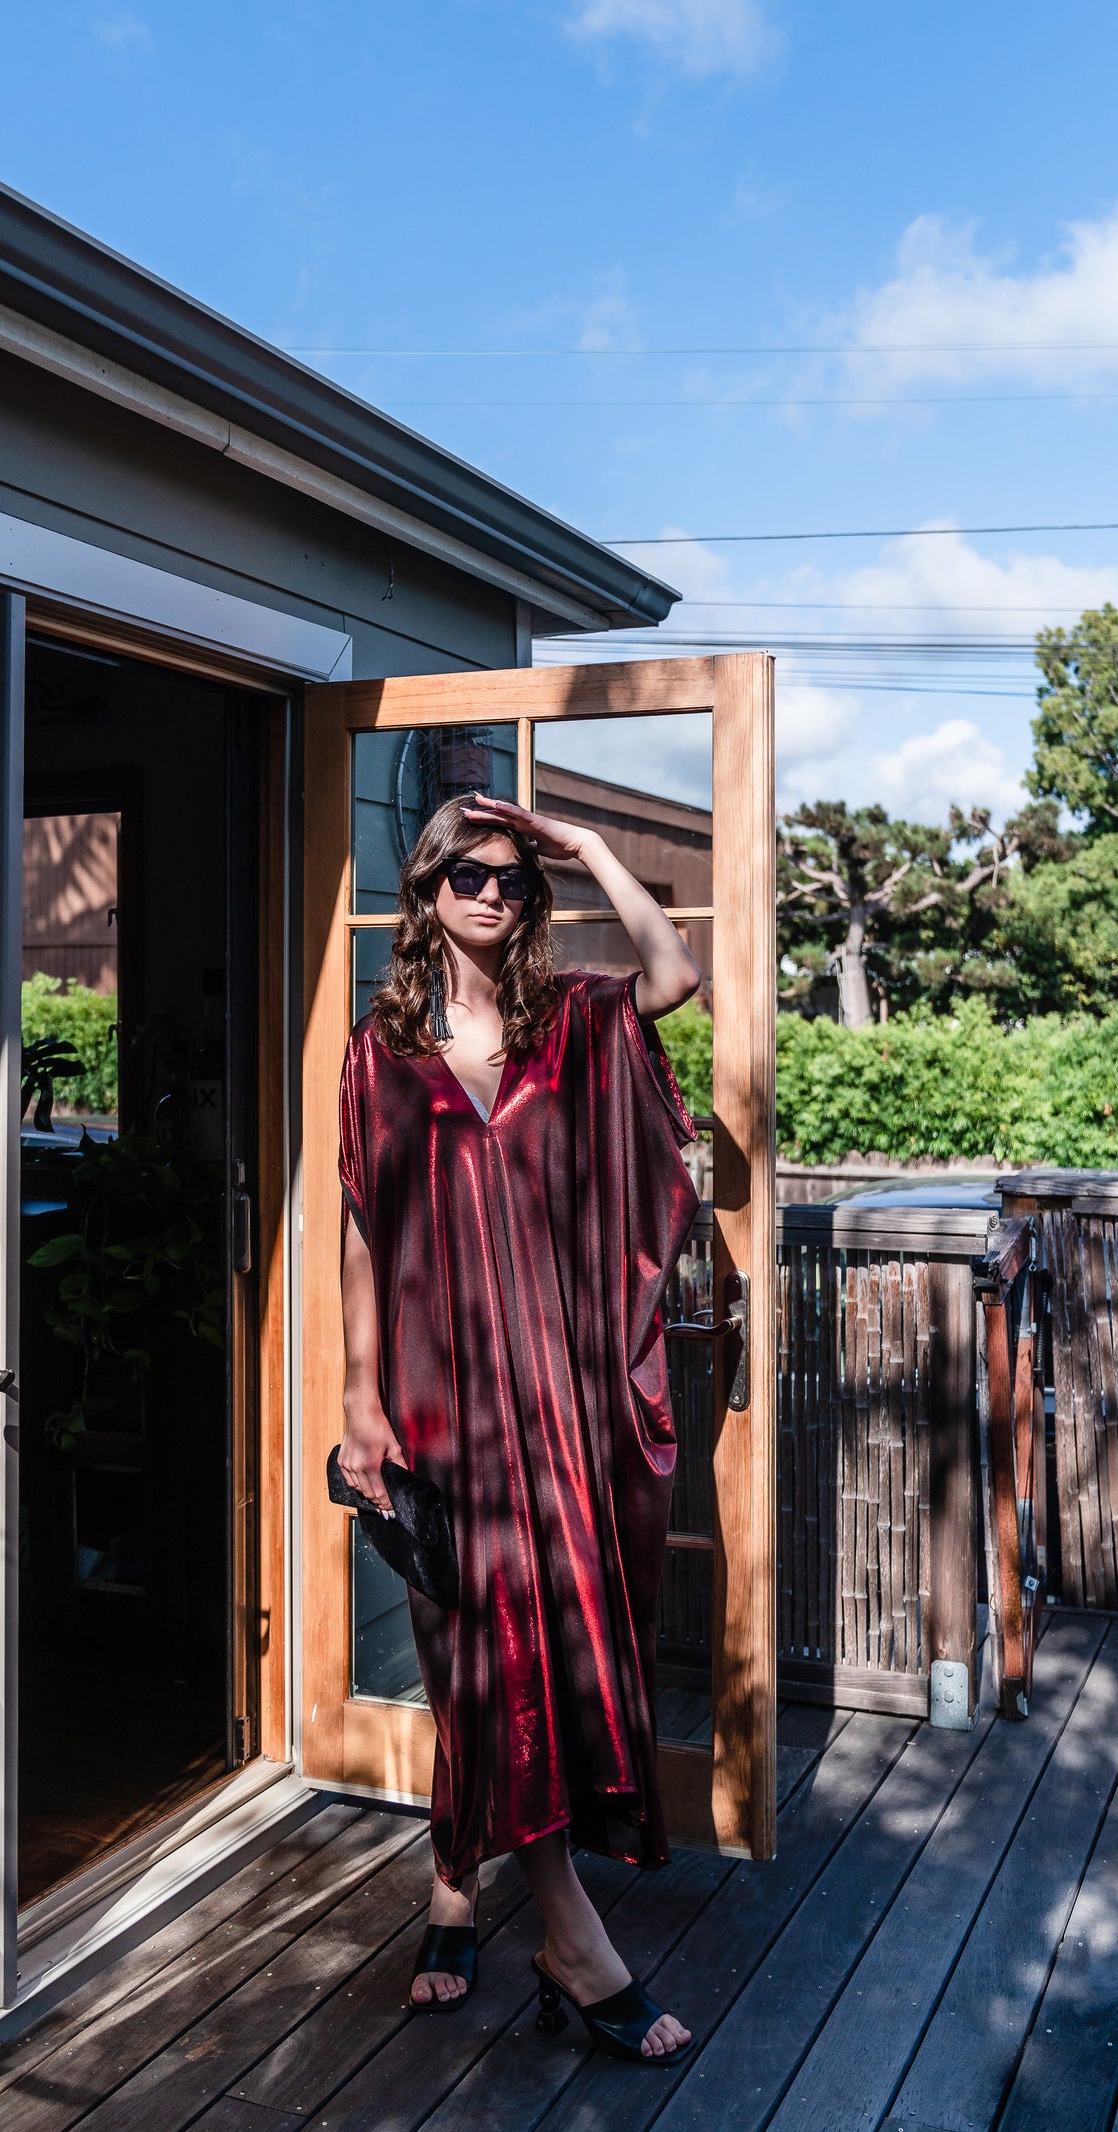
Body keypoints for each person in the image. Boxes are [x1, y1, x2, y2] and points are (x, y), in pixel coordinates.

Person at [337, 787, 704, 2064]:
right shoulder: (376, 1053)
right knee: (474, 1648)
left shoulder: (571, 1021)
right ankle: (570, 1936)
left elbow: (676, 974)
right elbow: (361, 1227)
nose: (493, 895)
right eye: (469, 877)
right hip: (440, 1398)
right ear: (426, 891)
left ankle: (454, 1881)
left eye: (512, 880)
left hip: (552, 1390)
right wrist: (355, 1394)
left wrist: (587, 847)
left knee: (537, 1645)